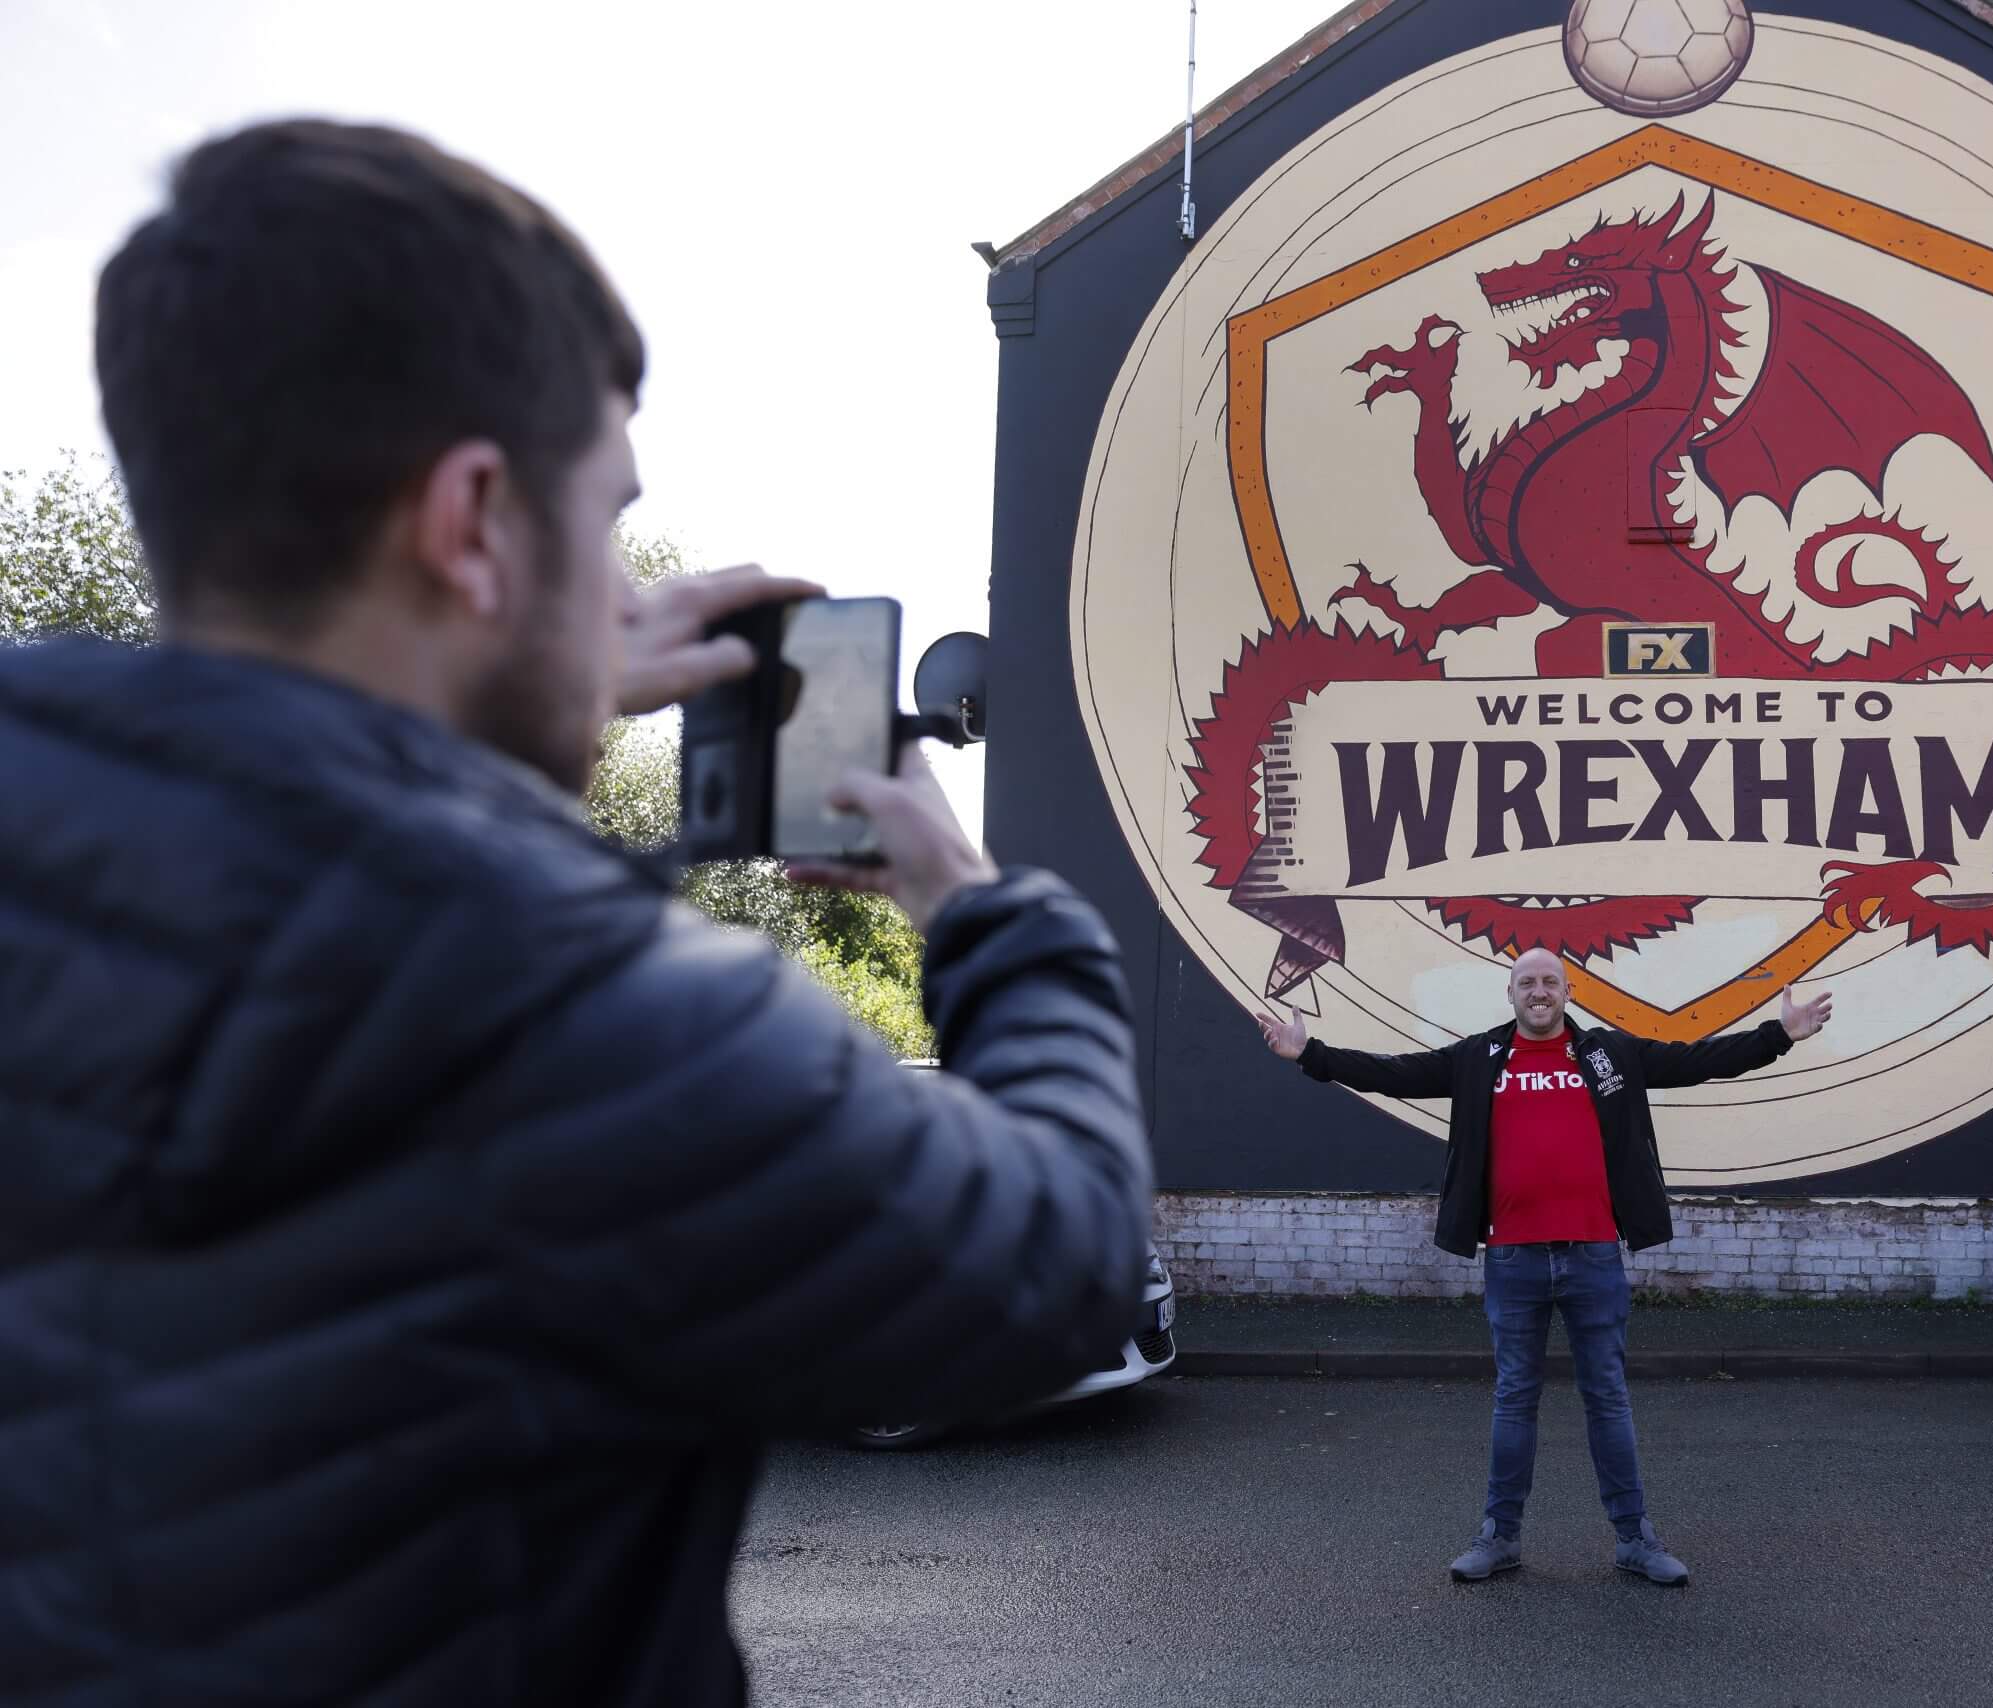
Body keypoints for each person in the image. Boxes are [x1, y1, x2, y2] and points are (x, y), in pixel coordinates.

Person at [0, 121, 1152, 1707]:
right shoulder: (589, 1007)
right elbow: (1056, 1267)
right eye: (605, 518)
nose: (618, 585)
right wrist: (982, 909)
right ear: (473, 521)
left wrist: (485, 699)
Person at [1257, 949, 1831, 1586]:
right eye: (1526, 982)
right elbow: (1393, 1073)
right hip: (1513, 1258)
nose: (1539, 991)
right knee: (1514, 1400)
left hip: (1594, 1255)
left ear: (1567, 992)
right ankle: (1499, 1537)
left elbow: (1698, 1061)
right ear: (1510, 994)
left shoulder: (1609, 1055)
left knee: (1607, 1398)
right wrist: (1310, 1055)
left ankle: (1635, 1540)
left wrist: (1780, 1035)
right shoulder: (1479, 1058)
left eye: (1549, 982)